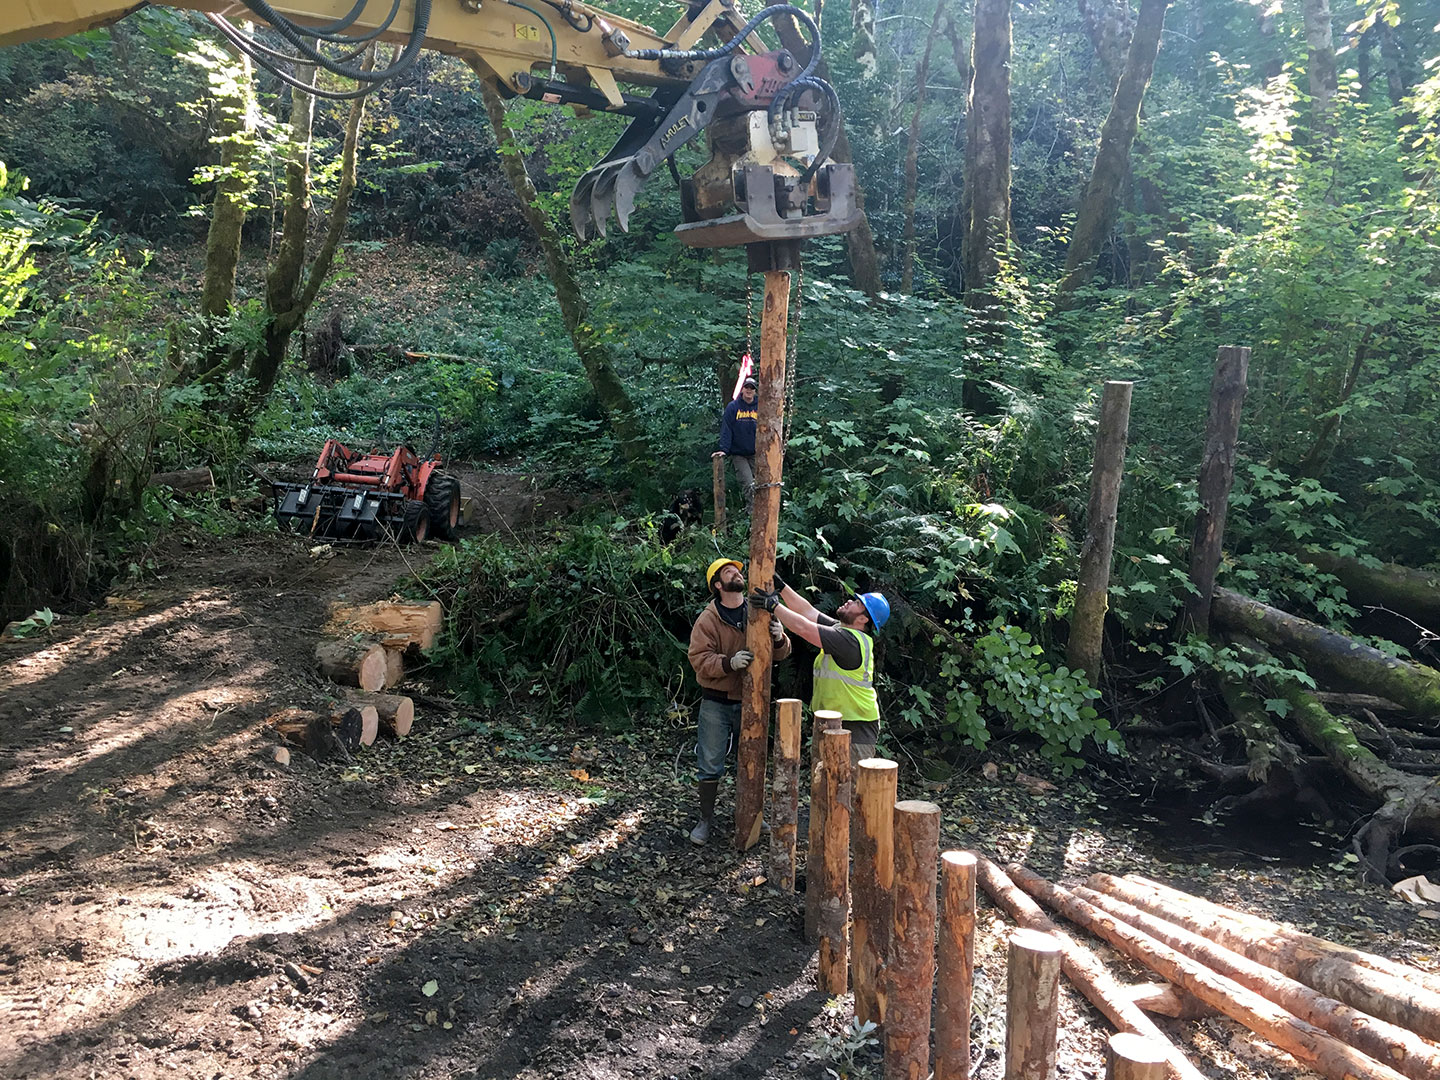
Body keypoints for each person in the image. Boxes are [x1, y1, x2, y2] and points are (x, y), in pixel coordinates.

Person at [685, 557, 791, 845]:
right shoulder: (709, 619)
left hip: (751, 699)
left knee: (752, 759)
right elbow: (698, 658)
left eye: (736, 571)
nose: (736, 574)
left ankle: (753, 815)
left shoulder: (758, 610)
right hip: (716, 702)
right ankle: (705, 819)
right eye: (728, 572)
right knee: (710, 762)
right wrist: (728, 663)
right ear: (718, 585)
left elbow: (782, 653)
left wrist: (779, 638)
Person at [752, 577, 890, 763]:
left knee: (846, 780)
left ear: (863, 619)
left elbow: (803, 628)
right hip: (831, 721)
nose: (849, 601)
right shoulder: (842, 631)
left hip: (855, 729)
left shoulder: (848, 641)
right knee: (824, 778)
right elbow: (807, 611)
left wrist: (774, 606)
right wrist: (782, 587)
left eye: (857, 603)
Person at [713, 377, 758, 513]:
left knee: (762, 484)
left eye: (752, 388)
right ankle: (751, 513)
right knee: (749, 483)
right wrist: (724, 449)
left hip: (756, 453)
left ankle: (760, 512)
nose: (749, 390)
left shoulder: (761, 406)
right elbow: (727, 428)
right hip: (739, 454)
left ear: (755, 391)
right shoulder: (733, 407)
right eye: (746, 387)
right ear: (742, 389)